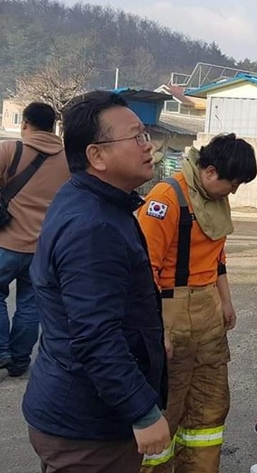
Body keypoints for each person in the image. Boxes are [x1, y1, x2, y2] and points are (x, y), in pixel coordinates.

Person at [22, 91, 171, 473]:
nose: (147, 145)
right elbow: (94, 335)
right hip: (86, 428)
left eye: (146, 134)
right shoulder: (93, 226)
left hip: (89, 412)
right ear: (97, 156)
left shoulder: (101, 204)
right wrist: (143, 411)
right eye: (136, 137)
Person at [137, 133, 257, 472]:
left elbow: (218, 258)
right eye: (232, 184)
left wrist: (226, 302)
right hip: (171, 311)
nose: (233, 192)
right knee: (167, 405)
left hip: (207, 312)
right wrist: (155, 328)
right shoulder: (167, 199)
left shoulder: (215, 202)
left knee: (210, 404)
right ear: (210, 172)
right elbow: (145, 270)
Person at [0, 102, 69, 381]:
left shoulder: (10, 149)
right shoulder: (69, 160)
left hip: (5, 242)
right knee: (31, 304)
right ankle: (19, 360)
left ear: (25, 123)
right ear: (53, 126)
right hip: (44, 249)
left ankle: (2, 350)